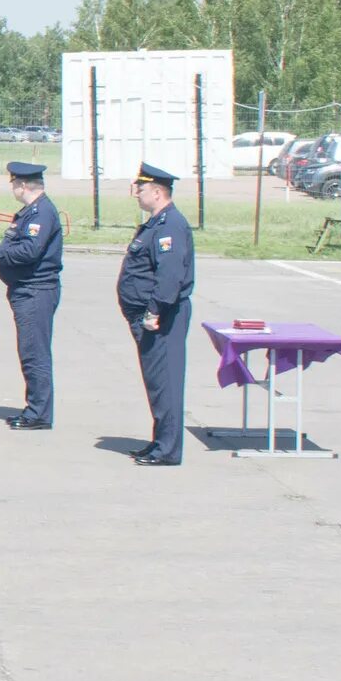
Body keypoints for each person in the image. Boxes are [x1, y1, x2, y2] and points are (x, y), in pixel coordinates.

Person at [116, 163, 196, 466]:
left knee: (166, 382)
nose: (137, 193)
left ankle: (167, 449)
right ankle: (160, 441)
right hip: (149, 317)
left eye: (142, 188)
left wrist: (153, 309)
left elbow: (170, 275)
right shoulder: (156, 223)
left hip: (163, 317)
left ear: (158, 192)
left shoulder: (170, 226)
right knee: (157, 382)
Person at [0, 161, 62, 430]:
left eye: (13, 184)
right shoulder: (31, 212)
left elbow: (30, 251)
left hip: (36, 291)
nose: (13, 189)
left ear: (21, 185)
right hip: (26, 289)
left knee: (35, 353)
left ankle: (38, 413)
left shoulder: (41, 213)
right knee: (29, 351)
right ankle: (35, 408)